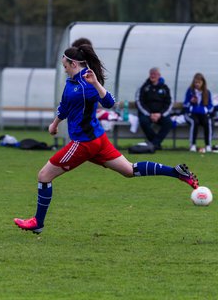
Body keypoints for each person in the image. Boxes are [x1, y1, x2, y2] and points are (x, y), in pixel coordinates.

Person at [14, 46, 199, 234]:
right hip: (98, 140)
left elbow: (110, 103)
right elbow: (65, 106)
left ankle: (38, 222)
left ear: (74, 63)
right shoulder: (71, 82)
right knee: (129, 170)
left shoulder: (87, 83)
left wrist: (96, 83)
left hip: (84, 143)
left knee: (44, 176)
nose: (64, 69)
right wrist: (55, 124)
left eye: (65, 66)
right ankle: (176, 173)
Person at [135, 67, 173, 150]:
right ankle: (156, 144)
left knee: (169, 123)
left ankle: (154, 144)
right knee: (143, 121)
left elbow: (169, 103)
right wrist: (150, 114)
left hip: (161, 114)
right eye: (151, 74)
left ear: (159, 75)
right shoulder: (144, 86)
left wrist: (160, 114)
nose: (153, 76)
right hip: (147, 114)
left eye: (155, 74)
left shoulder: (165, 88)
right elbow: (139, 101)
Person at [183, 73, 213, 152]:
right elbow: (185, 104)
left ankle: (208, 145)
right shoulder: (190, 91)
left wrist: (206, 110)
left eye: (199, 82)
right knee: (194, 122)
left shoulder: (207, 92)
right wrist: (191, 102)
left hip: (203, 114)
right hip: (191, 113)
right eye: (196, 82)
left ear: (203, 83)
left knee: (207, 122)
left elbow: (210, 106)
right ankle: (192, 144)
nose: (197, 84)